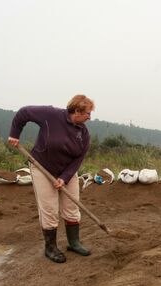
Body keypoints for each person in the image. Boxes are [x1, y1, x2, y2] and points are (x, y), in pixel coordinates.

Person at [8, 95, 95, 263]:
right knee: (49, 208)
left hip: (67, 171)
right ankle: (50, 247)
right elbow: (23, 113)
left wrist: (64, 178)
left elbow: (78, 160)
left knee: (72, 206)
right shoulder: (50, 114)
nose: (90, 117)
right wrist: (14, 134)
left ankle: (74, 242)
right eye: (88, 113)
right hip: (42, 167)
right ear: (76, 111)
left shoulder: (84, 133)